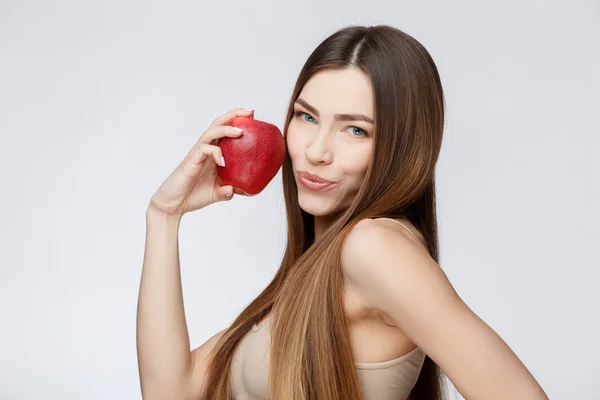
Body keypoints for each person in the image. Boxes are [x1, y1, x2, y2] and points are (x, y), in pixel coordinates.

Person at [136, 25, 548, 400]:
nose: (316, 151)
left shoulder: (374, 248)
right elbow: (171, 391)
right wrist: (164, 215)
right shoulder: (317, 272)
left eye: (355, 130)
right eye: (307, 116)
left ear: (401, 147)